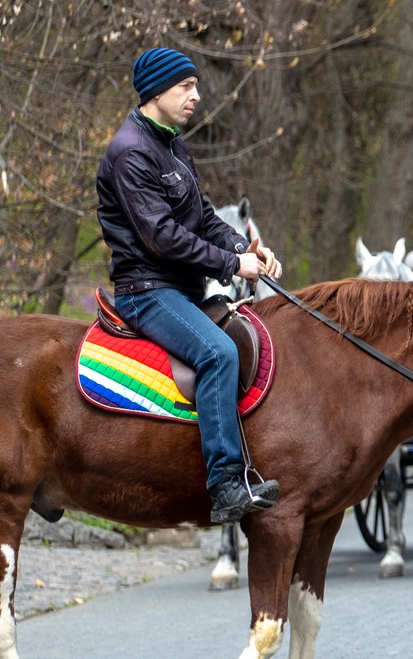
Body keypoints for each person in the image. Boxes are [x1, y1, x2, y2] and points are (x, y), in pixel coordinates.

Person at [98, 48, 282, 524]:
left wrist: (250, 249)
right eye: (186, 87)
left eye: (195, 86)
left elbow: (201, 218)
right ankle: (225, 484)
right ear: (157, 91)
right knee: (218, 353)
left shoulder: (173, 143)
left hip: (184, 288)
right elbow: (162, 238)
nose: (196, 96)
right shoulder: (130, 153)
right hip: (148, 291)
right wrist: (231, 264)